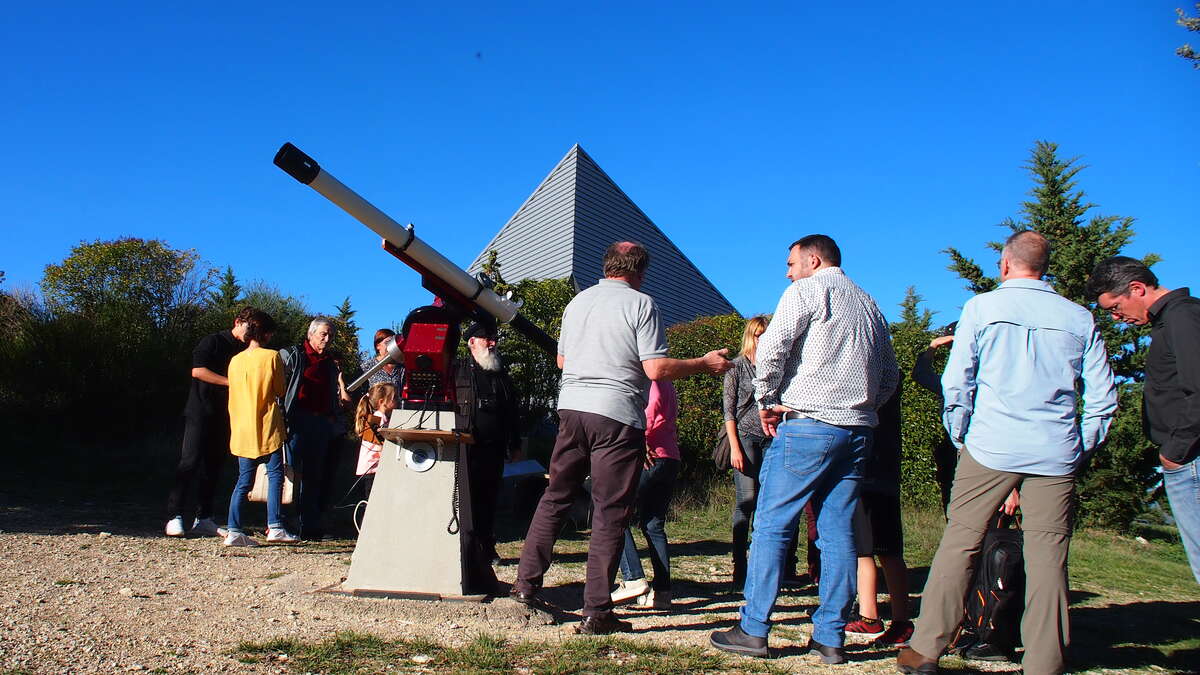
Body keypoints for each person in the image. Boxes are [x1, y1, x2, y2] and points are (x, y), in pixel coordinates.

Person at [898, 231, 1117, 675]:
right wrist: (1080, 445)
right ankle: (1044, 661)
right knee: (1049, 556)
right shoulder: (1078, 318)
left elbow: (957, 381)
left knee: (960, 543)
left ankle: (925, 649)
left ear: (1005, 264)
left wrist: (961, 436)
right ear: (1045, 265)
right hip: (1055, 449)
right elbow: (1104, 396)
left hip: (991, 443)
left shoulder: (982, 308)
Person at [510, 241, 732, 635]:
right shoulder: (642, 305)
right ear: (641, 272)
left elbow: (562, 360)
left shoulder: (577, 304)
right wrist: (705, 363)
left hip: (571, 409)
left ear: (607, 265)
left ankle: (525, 588)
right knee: (611, 511)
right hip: (615, 415)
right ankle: (596, 613)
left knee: (556, 496)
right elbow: (657, 368)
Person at [710, 234, 898, 665]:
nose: (787, 271)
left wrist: (766, 403)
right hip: (856, 432)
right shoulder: (870, 304)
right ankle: (830, 637)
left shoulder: (805, 291)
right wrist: (863, 408)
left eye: (791, 263)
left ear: (813, 260)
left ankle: (753, 627)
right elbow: (889, 374)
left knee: (773, 523)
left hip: (807, 424)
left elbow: (772, 349)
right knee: (838, 534)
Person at [1087, 256, 1200, 584]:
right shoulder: (1174, 320)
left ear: (1136, 288)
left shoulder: (1183, 317)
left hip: (1190, 458)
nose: (1118, 318)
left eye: (1116, 307)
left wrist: (1176, 451)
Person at [723, 315, 811, 592]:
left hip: (773, 437)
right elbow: (728, 410)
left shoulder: (777, 368)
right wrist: (734, 447)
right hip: (746, 438)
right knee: (746, 500)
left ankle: (786, 566)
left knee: (779, 501)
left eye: (767, 334)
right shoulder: (737, 367)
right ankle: (740, 565)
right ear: (751, 336)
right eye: (759, 334)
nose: (763, 339)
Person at [165, 307, 253, 537]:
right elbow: (198, 371)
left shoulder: (245, 350)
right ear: (237, 322)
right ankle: (174, 516)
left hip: (226, 414)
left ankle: (204, 517)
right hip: (200, 410)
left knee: (213, 466)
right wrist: (230, 382)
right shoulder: (212, 341)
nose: (250, 332)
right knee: (189, 461)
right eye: (249, 327)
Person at [454, 320, 522, 595]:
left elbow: (512, 413)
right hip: (465, 448)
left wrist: (515, 444)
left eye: (494, 338)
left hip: (493, 449)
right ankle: (463, 551)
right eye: (486, 338)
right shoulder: (457, 371)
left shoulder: (500, 374)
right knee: (464, 501)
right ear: (472, 342)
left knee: (487, 500)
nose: (492, 343)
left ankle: (485, 547)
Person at [223, 310, 299, 547]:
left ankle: (234, 529)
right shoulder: (271, 356)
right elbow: (280, 389)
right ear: (266, 333)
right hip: (267, 425)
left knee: (243, 481)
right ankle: (275, 526)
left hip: (242, 427)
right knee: (275, 476)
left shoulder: (235, 360)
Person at [844, 386, 913, 647]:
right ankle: (875, 616)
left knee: (877, 551)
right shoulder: (890, 378)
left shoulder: (870, 383)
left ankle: (892, 620)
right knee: (874, 550)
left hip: (869, 469)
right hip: (882, 471)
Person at [611, 379, 681, 610]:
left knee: (614, 516)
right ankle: (662, 593)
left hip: (650, 456)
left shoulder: (650, 380)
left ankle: (632, 578)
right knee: (653, 525)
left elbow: (648, 413)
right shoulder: (669, 381)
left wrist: (641, 441)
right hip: (670, 456)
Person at [280, 317, 345, 541]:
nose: (327, 340)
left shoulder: (329, 363)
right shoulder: (294, 356)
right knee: (289, 472)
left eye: (330, 336)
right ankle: (281, 522)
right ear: (311, 334)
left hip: (320, 423)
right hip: (297, 420)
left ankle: (309, 524)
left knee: (314, 476)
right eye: (323, 334)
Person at [912, 325, 958, 514]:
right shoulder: (953, 381)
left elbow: (921, 374)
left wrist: (932, 348)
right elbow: (920, 375)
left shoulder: (953, 383)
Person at [353, 381, 398, 500]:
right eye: (394, 398)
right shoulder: (377, 419)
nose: (397, 401)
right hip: (371, 470)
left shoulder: (376, 418)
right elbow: (380, 446)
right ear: (382, 402)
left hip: (368, 469)